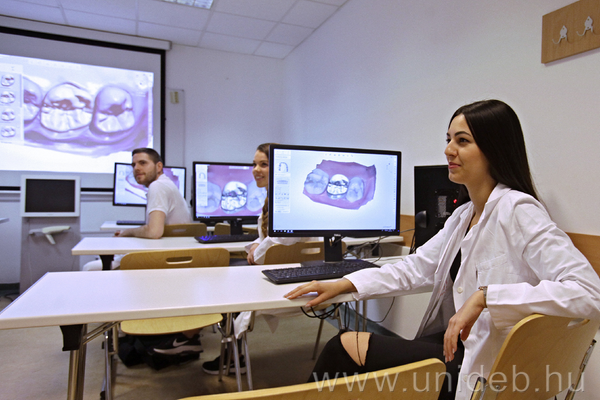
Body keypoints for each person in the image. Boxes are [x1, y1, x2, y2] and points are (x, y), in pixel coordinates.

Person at [285, 100, 600, 400]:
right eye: (448, 139)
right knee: (356, 355)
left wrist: (487, 297)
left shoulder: (519, 210)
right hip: (462, 347)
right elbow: (417, 267)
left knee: (342, 348)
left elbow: (589, 293)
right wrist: (347, 283)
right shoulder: (464, 216)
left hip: (495, 365)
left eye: (462, 141)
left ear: (494, 149)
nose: (449, 149)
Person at [202, 143, 317, 375]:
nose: (256, 170)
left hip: (290, 280)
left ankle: (232, 356)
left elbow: (279, 243)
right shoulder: (272, 200)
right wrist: (257, 244)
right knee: (229, 273)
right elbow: (267, 238)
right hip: (290, 274)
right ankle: (231, 351)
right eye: (254, 164)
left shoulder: (288, 204)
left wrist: (257, 251)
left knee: (224, 279)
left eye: (264, 164)